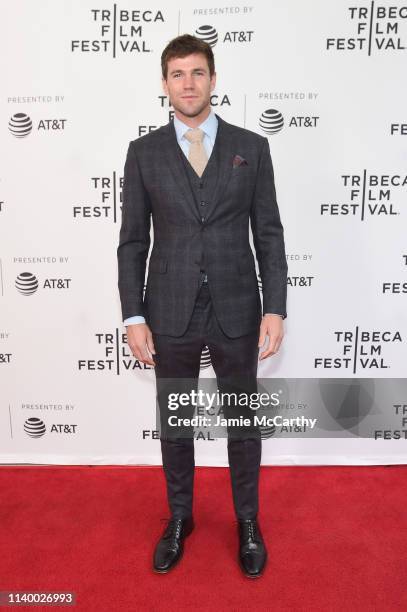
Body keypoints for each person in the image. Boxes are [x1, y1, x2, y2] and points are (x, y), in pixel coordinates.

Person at [117, 34, 288, 578]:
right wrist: (133, 315)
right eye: (176, 75)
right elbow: (131, 242)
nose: (187, 84)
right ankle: (180, 518)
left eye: (197, 73)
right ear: (164, 84)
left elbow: (269, 233)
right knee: (175, 422)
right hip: (168, 310)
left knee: (242, 422)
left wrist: (276, 307)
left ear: (214, 80)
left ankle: (248, 522)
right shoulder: (143, 152)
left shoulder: (252, 147)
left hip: (239, 305)